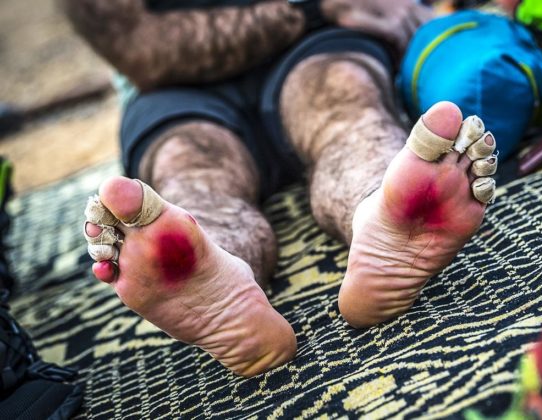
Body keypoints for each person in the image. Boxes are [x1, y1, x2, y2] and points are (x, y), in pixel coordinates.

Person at [63, 0, 498, 377]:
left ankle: (382, 213)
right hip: (171, 84)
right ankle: (208, 273)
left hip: (314, 47)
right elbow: (141, 49)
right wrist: (315, 7)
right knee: (188, 163)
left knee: (346, 102)